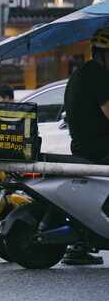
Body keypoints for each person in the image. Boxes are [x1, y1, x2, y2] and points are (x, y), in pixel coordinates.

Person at [62, 28, 109, 265]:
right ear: (102, 54)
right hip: (98, 147)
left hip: (85, 145)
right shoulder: (98, 76)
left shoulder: (83, 73)